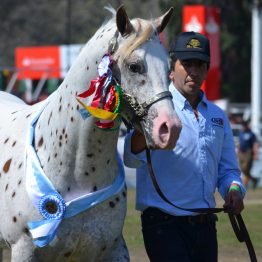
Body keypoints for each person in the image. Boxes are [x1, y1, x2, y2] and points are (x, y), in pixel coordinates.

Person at [123, 31, 246, 262]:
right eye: (186, 63)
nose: (193, 71)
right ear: (172, 68)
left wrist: (235, 191)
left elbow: (229, 171)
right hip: (163, 224)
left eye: (200, 64)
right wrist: (146, 132)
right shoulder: (155, 111)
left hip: (206, 225)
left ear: (207, 69)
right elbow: (130, 157)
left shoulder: (218, 117)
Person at [238, 120, 259, 189]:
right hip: (241, 152)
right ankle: (254, 179)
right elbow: (239, 142)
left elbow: (255, 144)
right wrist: (237, 150)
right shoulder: (240, 133)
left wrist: (255, 154)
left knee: (246, 168)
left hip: (248, 152)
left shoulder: (251, 134)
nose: (243, 127)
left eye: (244, 125)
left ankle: (244, 186)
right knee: (242, 169)